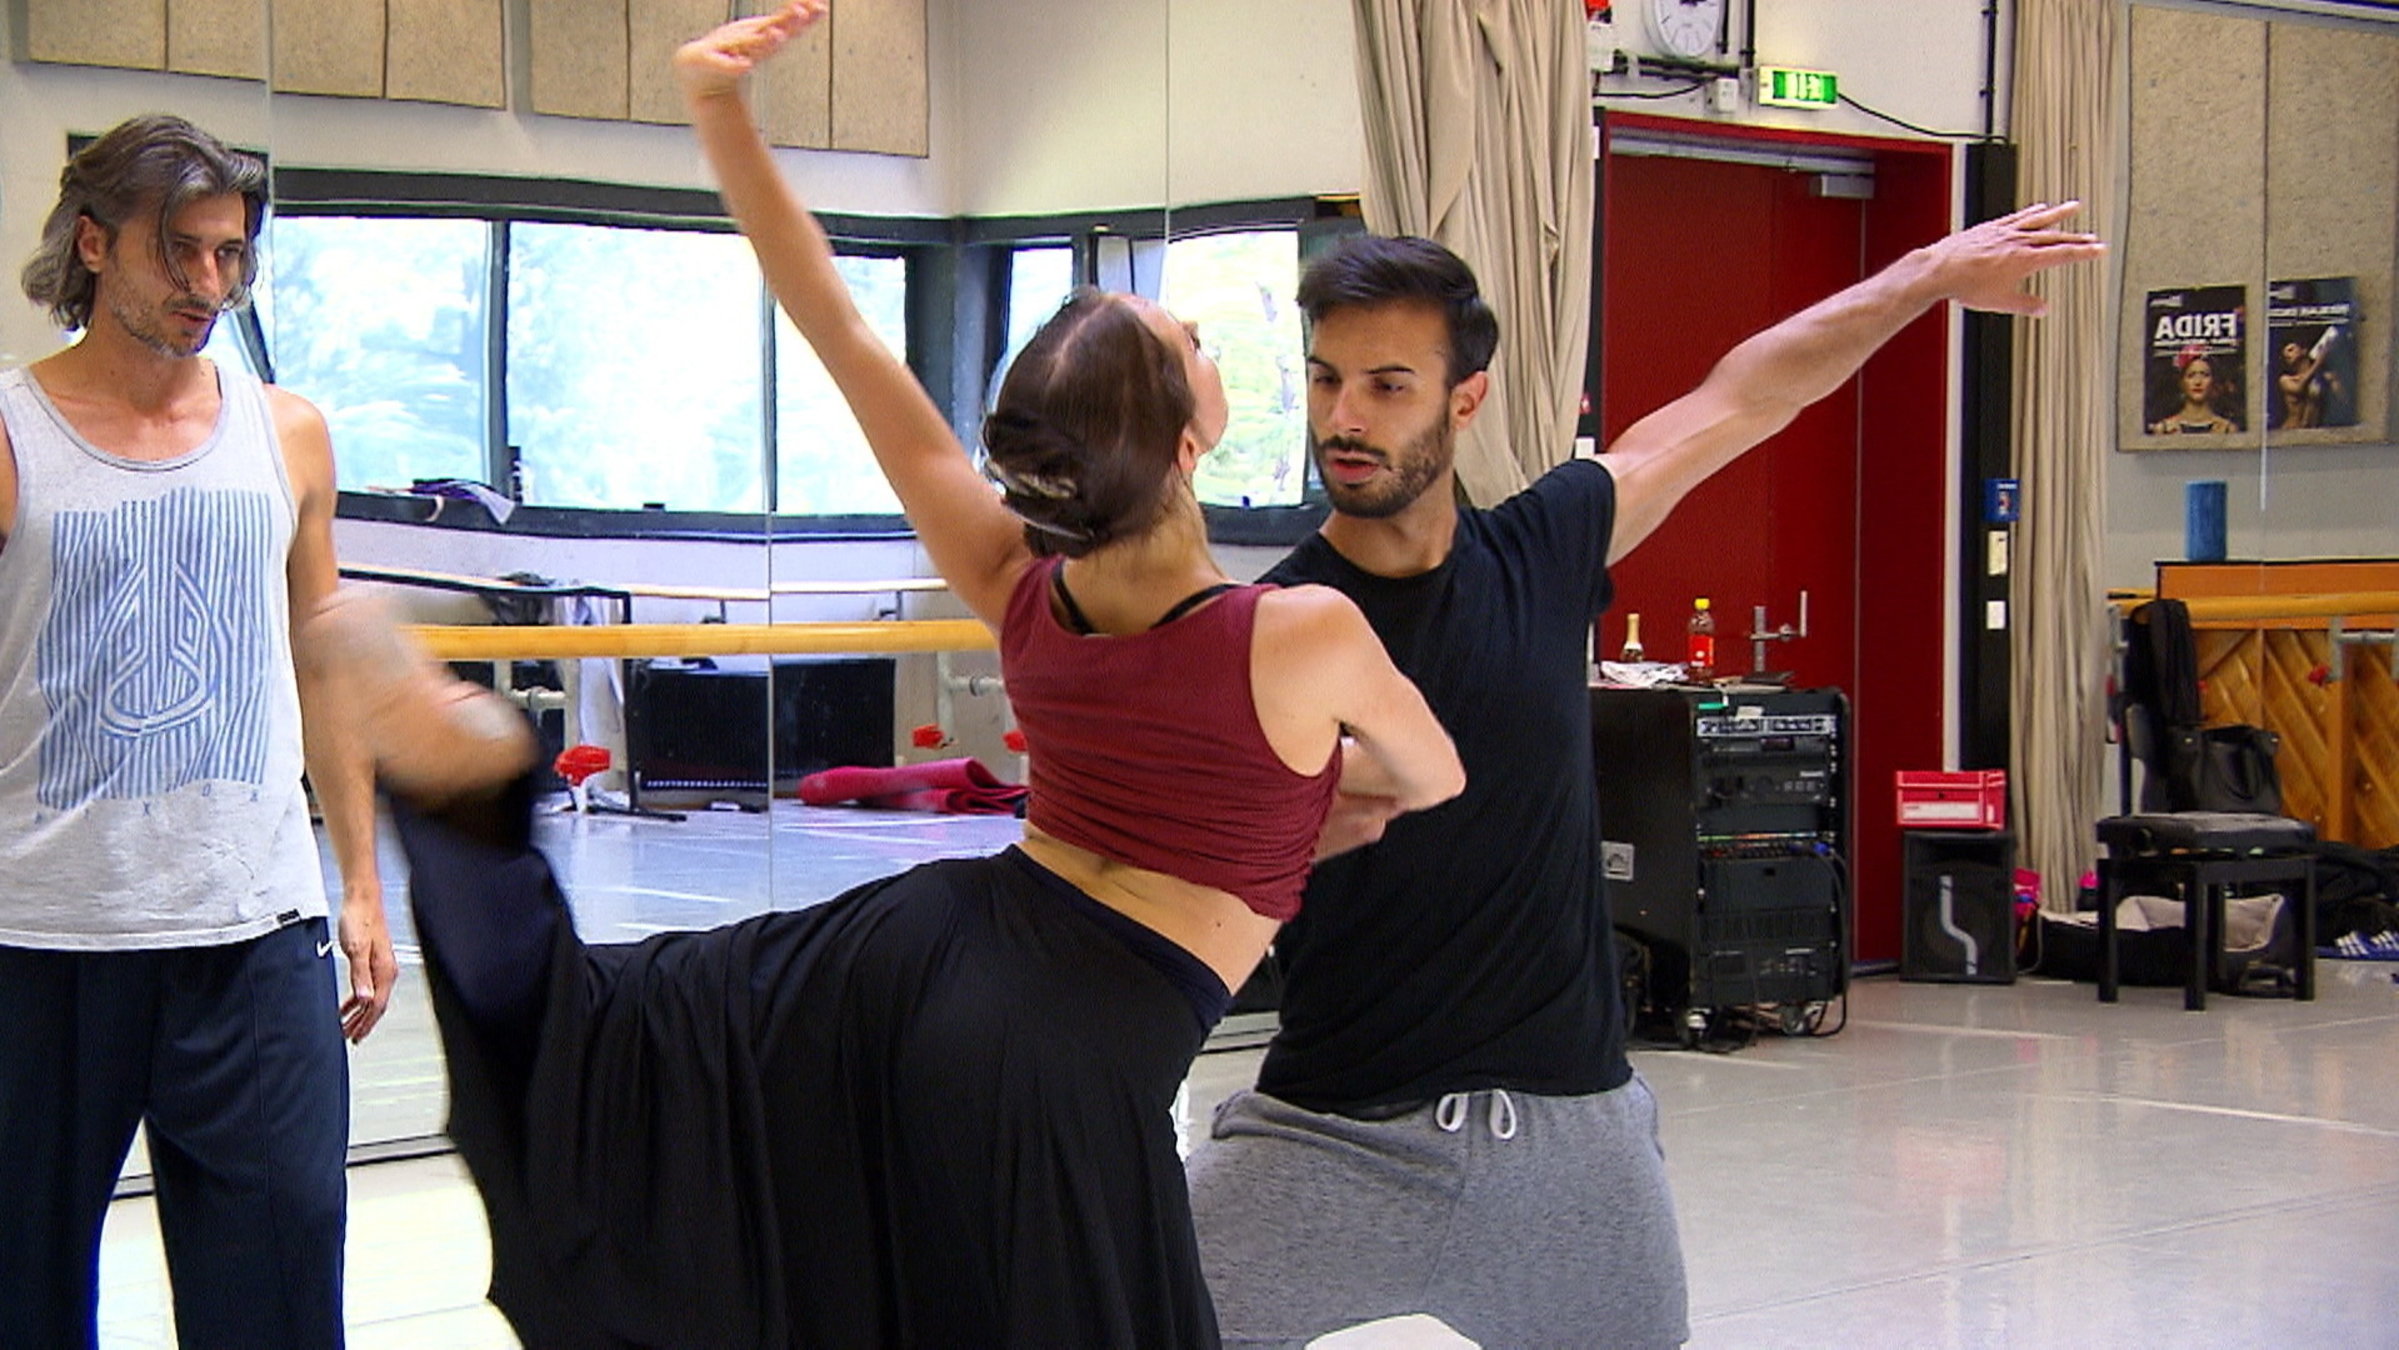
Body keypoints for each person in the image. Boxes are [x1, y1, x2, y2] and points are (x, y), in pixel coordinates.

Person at [312, 3, 1463, 1345]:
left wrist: (719, 112)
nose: (1211, 345)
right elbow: (1428, 772)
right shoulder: (1295, 633)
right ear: (1185, 434)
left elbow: (841, 329)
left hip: (918, 950)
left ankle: (477, 804)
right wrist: (1318, 805)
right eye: (1193, 344)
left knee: (627, 1040)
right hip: (1072, 1041)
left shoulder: (1013, 577)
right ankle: (477, 795)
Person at [1186, 214, 2104, 1348]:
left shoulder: (1545, 548)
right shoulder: (1270, 625)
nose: (1342, 418)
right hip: (1330, 1133)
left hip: (1572, 1138)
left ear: (1462, 402)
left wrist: (1923, 274)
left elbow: (1744, 396)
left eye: (1385, 385)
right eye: (1325, 381)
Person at [0, 114, 393, 1346]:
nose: (210, 284)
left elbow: (323, 658)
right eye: (181, 253)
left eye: (231, 255)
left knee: (277, 1296)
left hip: (254, 932)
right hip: (40, 935)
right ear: (95, 243)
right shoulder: (12, 433)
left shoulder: (286, 432)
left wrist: (363, 885)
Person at [2148, 347, 2239, 435]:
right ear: (2181, 382)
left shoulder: (2227, 429)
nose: (2198, 382)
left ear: (2213, 381)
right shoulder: (2164, 429)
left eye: (2205, 375)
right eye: (2191, 375)